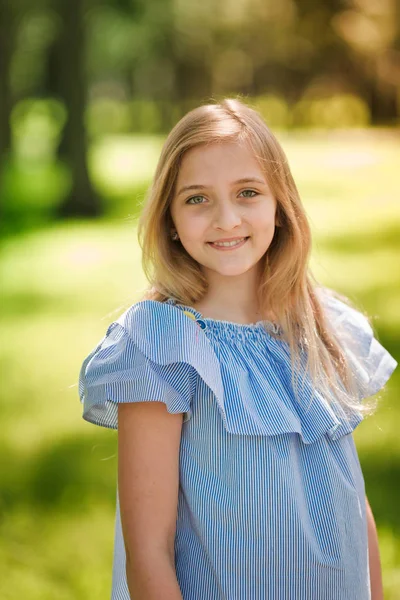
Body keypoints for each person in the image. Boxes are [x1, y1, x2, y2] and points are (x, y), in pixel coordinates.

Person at [78, 98, 397, 600]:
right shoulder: (162, 344)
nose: (226, 218)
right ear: (169, 217)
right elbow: (149, 554)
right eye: (197, 199)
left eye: (247, 192)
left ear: (281, 204)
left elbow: (354, 510)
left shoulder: (321, 327)